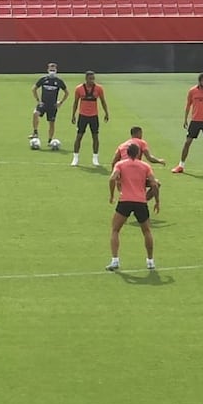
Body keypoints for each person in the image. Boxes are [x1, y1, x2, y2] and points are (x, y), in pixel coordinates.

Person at [106, 141, 159, 272]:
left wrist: (112, 195)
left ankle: (115, 261)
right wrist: (157, 201)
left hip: (125, 201)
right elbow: (154, 183)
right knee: (146, 231)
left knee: (115, 230)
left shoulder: (120, 164)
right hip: (141, 202)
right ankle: (150, 261)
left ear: (127, 153)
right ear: (138, 153)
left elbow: (112, 178)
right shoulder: (145, 166)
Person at [173, 72, 203, 174]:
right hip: (195, 121)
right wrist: (185, 119)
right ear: (199, 82)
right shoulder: (192, 91)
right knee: (187, 143)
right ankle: (181, 165)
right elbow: (188, 105)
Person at [70, 71, 109, 167]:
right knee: (79, 136)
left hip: (94, 116)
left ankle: (95, 158)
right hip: (82, 115)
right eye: (90, 78)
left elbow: (103, 101)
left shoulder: (99, 88)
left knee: (95, 137)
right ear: (86, 78)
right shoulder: (79, 89)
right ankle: (75, 157)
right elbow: (75, 102)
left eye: (93, 78)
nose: (92, 80)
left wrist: (106, 113)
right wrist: (73, 115)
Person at [30, 62, 68, 143]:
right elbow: (34, 89)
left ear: (56, 71)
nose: (52, 72)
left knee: (51, 123)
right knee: (35, 114)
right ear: (48, 70)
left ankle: (50, 140)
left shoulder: (59, 81)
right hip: (43, 103)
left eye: (53, 70)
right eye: (51, 70)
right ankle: (35, 132)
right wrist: (38, 100)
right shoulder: (43, 79)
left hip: (53, 106)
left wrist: (60, 102)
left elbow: (66, 92)